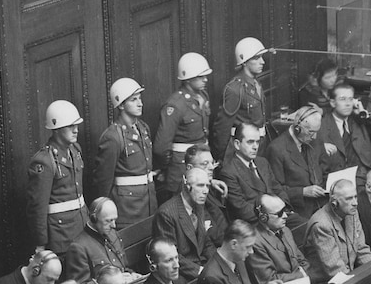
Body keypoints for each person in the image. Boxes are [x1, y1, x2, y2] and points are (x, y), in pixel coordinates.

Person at [93, 78, 156, 229]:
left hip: (149, 204)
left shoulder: (143, 128)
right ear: (121, 105)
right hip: (127, 210)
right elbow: (103, 181)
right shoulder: (113, 137)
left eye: (140, 99)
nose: (140, 103)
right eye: (133, 100)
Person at [26, 100, 88, 255]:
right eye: (70, 126)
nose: (76, 130)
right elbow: (37, 207)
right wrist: (40, 242)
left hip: (81, 226)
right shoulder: (44, 161)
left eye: (76, 125)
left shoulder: (75, 150)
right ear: (57, 129)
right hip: (61, 234)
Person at [220, 123, 304, 234]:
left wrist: (281, 211)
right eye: (250, 142)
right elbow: (241, 209)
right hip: (257, 224)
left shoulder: (262, 162)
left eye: (257, 142)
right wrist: (271, 216)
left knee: (310, 227)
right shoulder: (229, 172)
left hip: (279, 215)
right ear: (237, 144)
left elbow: (278, 189)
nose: (255, 146)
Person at [154, 52, 213, 203]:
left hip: (202, 164)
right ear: (187, 78)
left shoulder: (203, 96)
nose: (205, 79)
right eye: (200, 76)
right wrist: (168, 168)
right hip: (181, 168)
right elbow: (161, 147)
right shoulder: (175, 104)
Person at [316, 83, 371, 187]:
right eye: (343, 99)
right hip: (339, 180)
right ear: (333, 103)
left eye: (350, 99)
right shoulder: (322, 125)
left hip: (366, 174)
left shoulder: (359, 120)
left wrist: (365, 113)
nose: (348, 104)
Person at [152, 168, 217, 281]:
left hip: (201, 266)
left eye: (207, 186)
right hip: (181, 273)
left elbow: (206, 243)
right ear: (187, 186)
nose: (206, 191)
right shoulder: (166, 214)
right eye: (201, 185)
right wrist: (201, 271)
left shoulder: (198, 206)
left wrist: (219, 263)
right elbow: (170, 256)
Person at [65, 197, 136, 284]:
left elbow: (123, 266)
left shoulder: (113, 235)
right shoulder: (78, 247)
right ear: (94, 219)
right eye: (108, 221)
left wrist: (132, 275)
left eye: (114, 220)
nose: (114, 225)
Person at [303, 179, 371, 282]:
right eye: (349, 199)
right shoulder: (322, 224)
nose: (355, 203)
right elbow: (335, 269)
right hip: (326, 283)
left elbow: (362, 249)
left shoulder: (351, 213)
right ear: (334, 203)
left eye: (355, 197)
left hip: (348, 275)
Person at [212, 37, 269, 161]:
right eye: (256, 58)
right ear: (244, 62)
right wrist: (222, 158)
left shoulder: (256, 83)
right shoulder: (235, 89)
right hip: (241, 150)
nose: (262, 62)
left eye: (262, 57)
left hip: (259, 146)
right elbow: (222, 128)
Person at [267, 105, 327, 221]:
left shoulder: (315, 139)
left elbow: (326, 169)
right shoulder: (276, 149)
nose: (314, 137)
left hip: (322, 204)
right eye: (310, 132)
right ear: (297, 128)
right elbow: (275, 189)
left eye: (316, 132)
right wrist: (303, 192)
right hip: (299, 211)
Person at [248, 194, 313, 284]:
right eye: (279, 213)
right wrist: (302, 275)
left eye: (285, 210)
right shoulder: (255, 242)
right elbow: (269, 280)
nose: (285, 216)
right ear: (263, 218)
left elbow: (302, 261)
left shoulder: (285, 230)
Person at [184, 145, 229, 246]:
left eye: (212, 163)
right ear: (190, 168)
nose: (211, 168)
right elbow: (214, 236)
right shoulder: (190, 194)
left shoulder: (206, 185)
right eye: (205, 164)